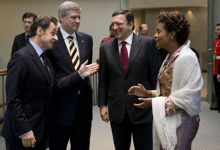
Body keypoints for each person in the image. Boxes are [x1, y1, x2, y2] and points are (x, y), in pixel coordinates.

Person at [128, 12, 203, 150]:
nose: (155, 35)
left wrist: (154, 102)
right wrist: (148, 93)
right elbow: (170, 92)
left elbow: (189, 98)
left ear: (172, 34)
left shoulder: (187, 58)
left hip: (184, 120)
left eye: (158, 31)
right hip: (170, 118)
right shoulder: (170, 57)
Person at [98, 9, 160, 150]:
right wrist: (102, 105)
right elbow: (103, 80)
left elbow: (155, 77)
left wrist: (154, 102)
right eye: (113, 24)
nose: (115, 28)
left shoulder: (147, 43)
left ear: (131, 24)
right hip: (117, 109)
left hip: (142, 109)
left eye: (119, 24)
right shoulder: (106, 46)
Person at [46, 1, 99, 150]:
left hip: (83, 109)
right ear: (61, 18)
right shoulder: (51, 40)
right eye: (73, 17)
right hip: (60, 108)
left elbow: (86, 69)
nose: (78, 21)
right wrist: (79, 75)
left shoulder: (86, 39)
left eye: (79, 17)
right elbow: (53, 79)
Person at [2, 16, 58, 150]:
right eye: (53, 33)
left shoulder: (45, 58)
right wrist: (24, 130)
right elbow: (13, 98)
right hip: (23, 134)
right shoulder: (21, 57)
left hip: (39, 130)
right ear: (40, 31)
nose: (56, 38)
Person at [210, 23, 220, 112]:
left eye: (218, 29)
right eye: (216, 29)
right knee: (217, 87)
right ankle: (218, 104)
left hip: (219, 68)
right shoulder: (215, 41)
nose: (215, 31)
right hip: (215, 68)